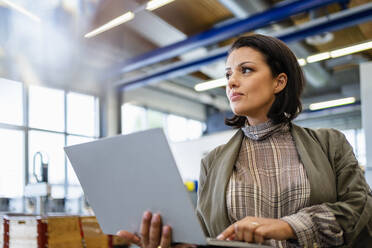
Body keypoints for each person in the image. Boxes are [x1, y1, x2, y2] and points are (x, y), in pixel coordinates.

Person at [117, 34, 372, 248]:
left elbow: (360, 208)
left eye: (246, 70)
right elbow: (208, 237)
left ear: (279, 81)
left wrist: (289, 226)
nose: (231, 81)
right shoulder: (213, 161)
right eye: (228, 74)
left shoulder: (331, 143)